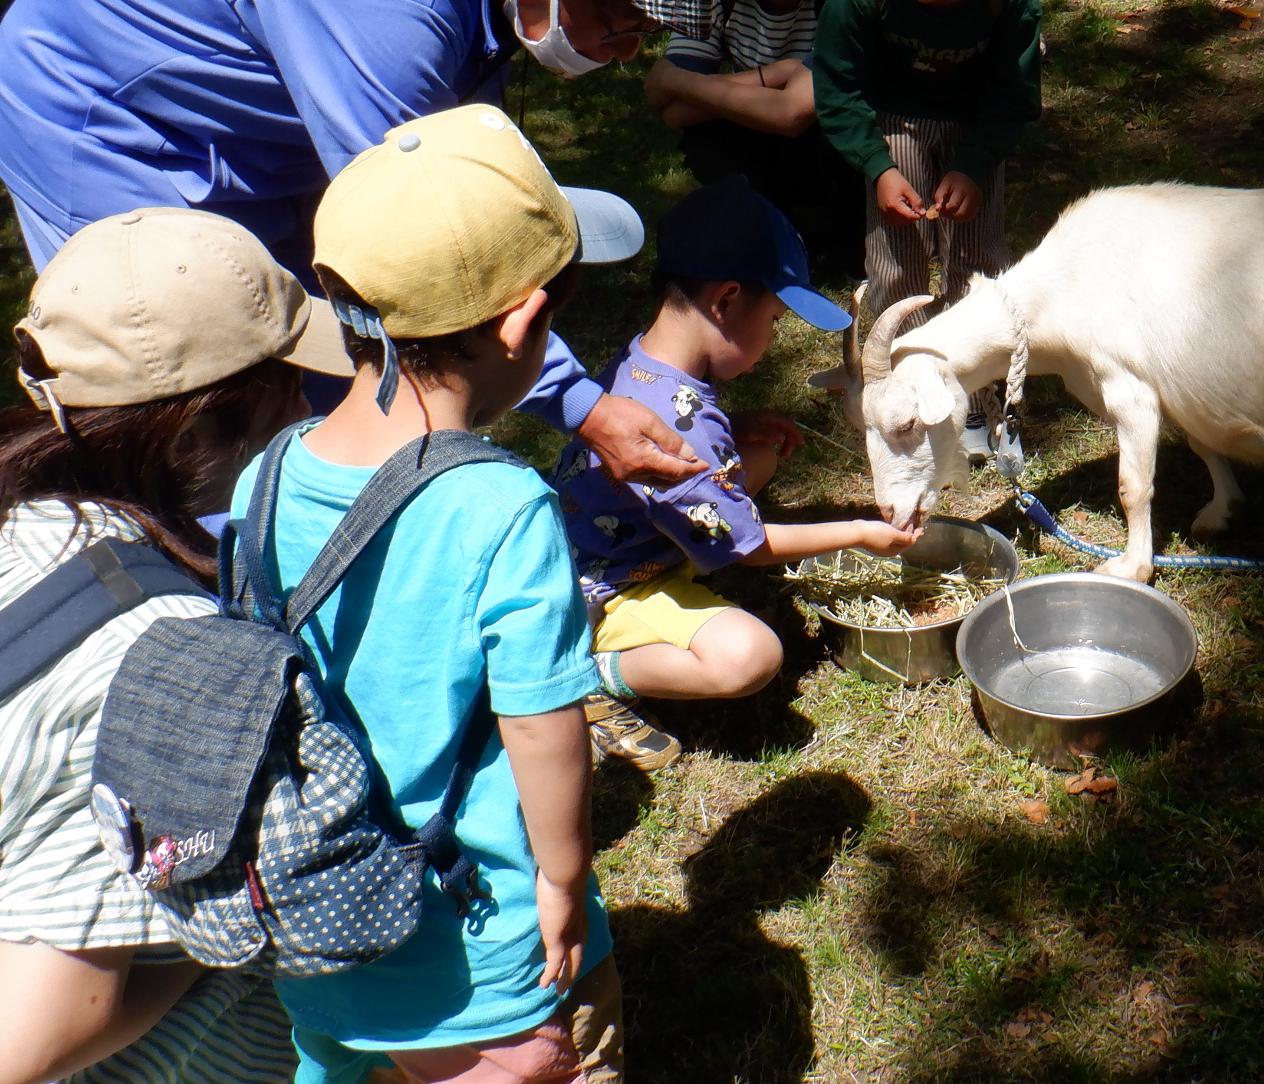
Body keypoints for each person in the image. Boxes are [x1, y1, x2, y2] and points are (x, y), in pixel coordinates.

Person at [0, 0, 743, 491]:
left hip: (261, 118)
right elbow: (437, 251)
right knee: (187, 400)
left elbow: (449, 169)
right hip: (104, 105)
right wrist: (582, 405)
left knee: (321, 368)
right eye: (618, 13)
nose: (622, 52)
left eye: (648, 29)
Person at [240, 105, 631, 1078]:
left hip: (309, 911)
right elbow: (544, 724)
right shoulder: (501, 509)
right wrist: (564, 876)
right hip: (469, 941)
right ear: (525, 322)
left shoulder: (266, 477)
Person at [0, 208, 352, 1083]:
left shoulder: (23, 520)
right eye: (286, 385)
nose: (308, 405)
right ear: (195, 430)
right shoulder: (162, 655)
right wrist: (224, 932)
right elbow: (39, 1031)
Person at [558, 177, 920, 770]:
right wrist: (859, 531)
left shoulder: (641, 363)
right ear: (726, 300)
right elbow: (753, 550)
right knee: (748, 655)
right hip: (608, 589)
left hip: (606, 539)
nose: (774, 338)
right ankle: (586, 675)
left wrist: (740, 424)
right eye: (775, 319)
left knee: (763, 456)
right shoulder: (686, 430)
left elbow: (698, 448)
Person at [811, 0, 1042, 462]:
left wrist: (973, 165)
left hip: (975, 130)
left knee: (978, 263)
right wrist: (879, 168)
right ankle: (902, 395)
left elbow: (1013, 94)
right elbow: (837, 90)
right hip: (895, 126)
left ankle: (985, 405)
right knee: (897, 266)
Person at [645, 0, 865, 279]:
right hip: (760, 136)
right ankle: (770, 225)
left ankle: (826, 234)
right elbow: (668, 108)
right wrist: (777, 74)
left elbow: (793, 115)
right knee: (709, 139)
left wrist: (677, 78)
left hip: (841, 147)